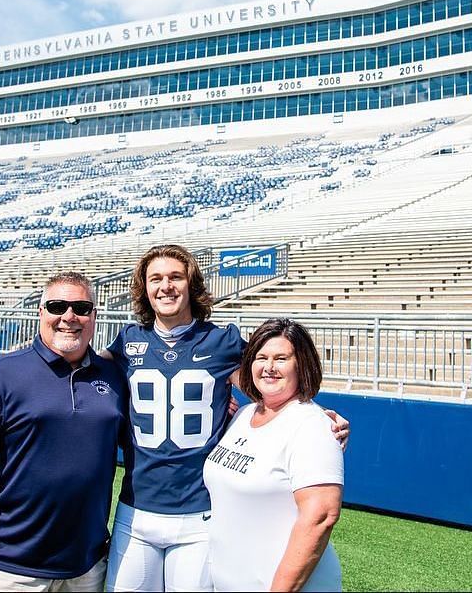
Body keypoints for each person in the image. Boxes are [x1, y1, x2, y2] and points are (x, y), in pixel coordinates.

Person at [102, 245, 349, 592]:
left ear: (191, 284)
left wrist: (320, 421)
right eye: (155, 278)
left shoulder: (222, 341)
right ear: (144, 288)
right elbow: (86, 378)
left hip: (198, 516)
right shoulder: (128, 341)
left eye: (176, 276)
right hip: (136, 509)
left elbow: (272, 380)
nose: (166, 286)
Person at [0, 272, 127, 592]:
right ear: (40, 313)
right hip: (10, 568)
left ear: (94, 316)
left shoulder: (113, 377)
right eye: (57, 306)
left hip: (88, 566)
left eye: (81, 308)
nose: (69, 316)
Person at [203, 318, 343, 591]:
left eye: (281, 358)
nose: (269, 367)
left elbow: (320, 517)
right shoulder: (244, 415)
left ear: (301, 364)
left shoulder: (312, 425)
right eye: (261, 357)